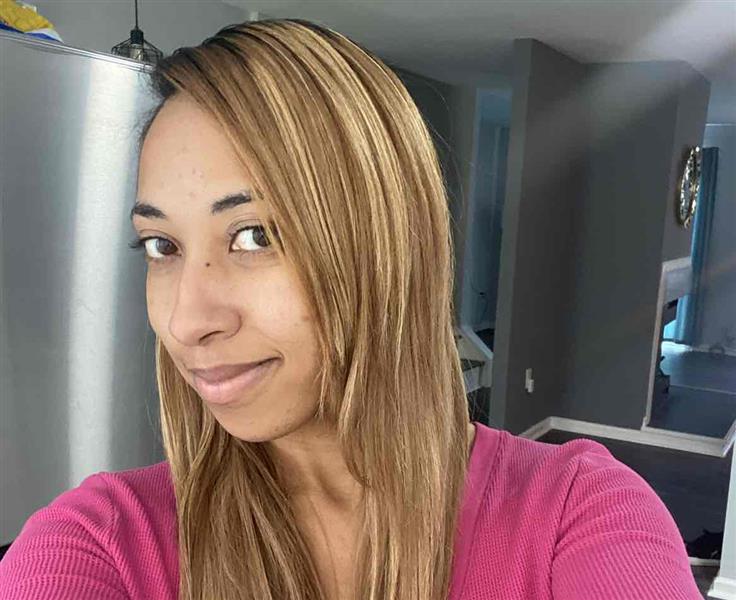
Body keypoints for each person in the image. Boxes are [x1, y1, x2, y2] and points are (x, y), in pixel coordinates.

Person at [0, 18, 701, 600]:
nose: (187, 321)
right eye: (162, 246)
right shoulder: (96, 544)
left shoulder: (580, 518)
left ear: (386, 246)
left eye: (254, 236)